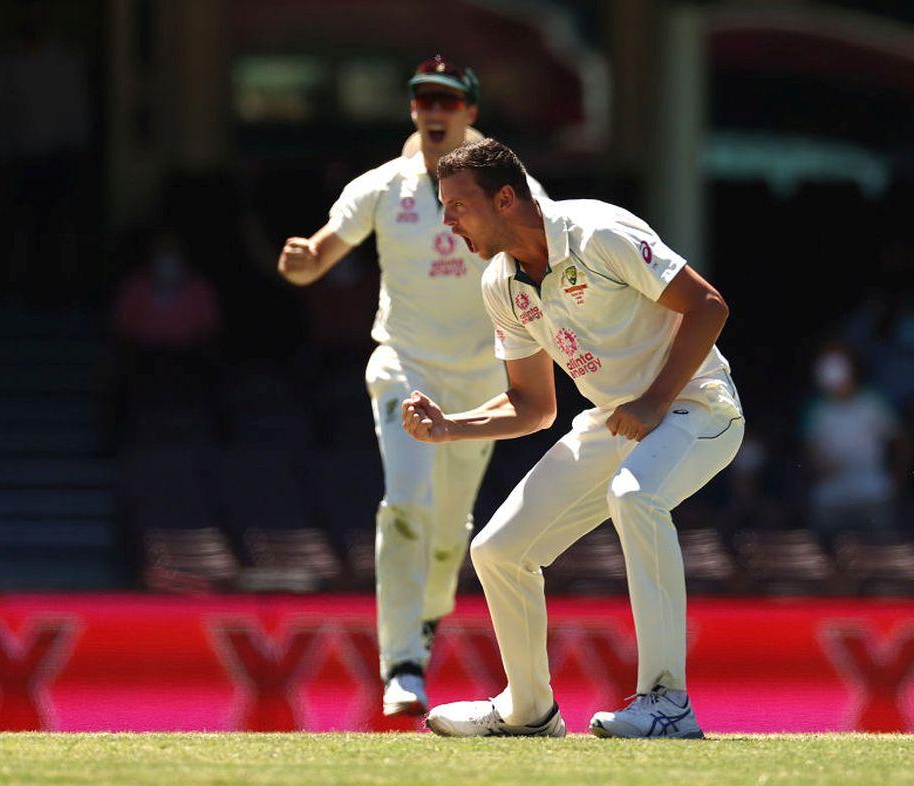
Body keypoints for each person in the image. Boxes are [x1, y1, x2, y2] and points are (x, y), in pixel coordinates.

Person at [403, 138, 743, 739]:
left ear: (505, 197)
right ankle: (528, 711)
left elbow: (707, 305)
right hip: (617, 419)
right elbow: (532, 406)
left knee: (635, 497)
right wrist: (451, 426)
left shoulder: (597, 233)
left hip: (697, 405)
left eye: (456, 205)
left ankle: (667, 702)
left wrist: (655, 399)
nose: (448, 222)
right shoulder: (500, 284)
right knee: (499, 549)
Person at [277, 56, 546, 718]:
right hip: (405, 365)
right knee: (405, 504)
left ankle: (427, 616)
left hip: (483, 376)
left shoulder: (505, 184)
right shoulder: (381, 186)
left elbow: (547, 244)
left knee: (450, 529)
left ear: (470, 113)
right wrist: (304, 263)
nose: (434, 109)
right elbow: (321, 252)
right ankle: (401, 659)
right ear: (412, 110)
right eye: (423, 97)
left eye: (447, 100)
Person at [801, 342, 907, 539]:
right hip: (831, 496)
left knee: (882, 549)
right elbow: (810, 452)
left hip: (874, 492)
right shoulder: (816, 411)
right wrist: (819, 465)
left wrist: (897, 479)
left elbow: (899, 442)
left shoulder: (873, 403)